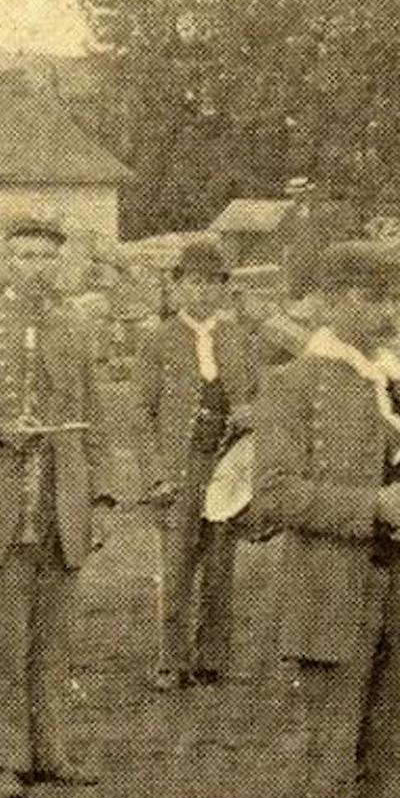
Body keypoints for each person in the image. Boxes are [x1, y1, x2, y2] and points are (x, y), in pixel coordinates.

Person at [248, 241, 400, 798]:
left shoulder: (390, 379)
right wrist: (375, 506)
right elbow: (271, 495)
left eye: (391, 297)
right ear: (327, 301)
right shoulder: (292, 384)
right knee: (329, 766)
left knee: (392, 760)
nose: (385, 310)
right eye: (368, 296)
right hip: (330, 594)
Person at [0, 211, 115, 798]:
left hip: (62, 509)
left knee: (55, 642)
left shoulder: (75, 330)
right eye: (24, 257)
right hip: (3, 509)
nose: (35, 268)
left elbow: (95, 421)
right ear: (5, 262)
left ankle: (51, 754)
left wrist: (102, 496)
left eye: (46, 258)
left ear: (59, 263)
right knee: (4, 645)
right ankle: (1, 759)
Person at [137, 238, 266, 691]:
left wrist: (252, 410)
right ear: (176, 286)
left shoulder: (238, 338)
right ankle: (171, 662)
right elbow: (140, 414)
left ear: (224, 290)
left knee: (219, 560)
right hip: (180, 465)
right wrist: (155, 474)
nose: (203, 293)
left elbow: (259, 396)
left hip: (226, 460)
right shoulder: (157, 340)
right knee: (176, 563)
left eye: (213, 284)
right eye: (194, 283)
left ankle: (212, 659)